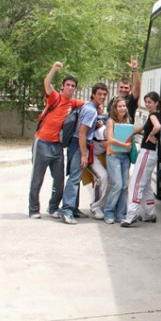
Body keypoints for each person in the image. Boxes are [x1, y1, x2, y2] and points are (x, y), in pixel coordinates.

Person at [28, 62, 85, 219]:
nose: (70, 88)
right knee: (37, 179)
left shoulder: (73, 103)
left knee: (59, 180)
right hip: (42, 142)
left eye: (73, 86)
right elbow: (46, 83)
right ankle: (33, 209)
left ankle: (53, 207)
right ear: (63, 86)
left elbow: (89, 106)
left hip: (57, 146)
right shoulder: (55, 97)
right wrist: (53, 68)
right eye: (68, 85)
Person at [59, 83, 109, 225]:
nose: (102, 97)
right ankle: (67, 211)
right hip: (80, 146)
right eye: (99, 94)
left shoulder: (88, 107)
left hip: (80, 146)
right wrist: (84, 155)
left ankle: (74, 209)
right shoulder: (91, 111)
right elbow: (81, 133)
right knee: (74, 179)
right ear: (93, 94)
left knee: (92, 176)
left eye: (104, 94)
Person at [121, 92, 161, 227]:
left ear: (156, 103)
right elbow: (143, 128)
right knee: (145, 185)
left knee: (136, 183)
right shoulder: (156, 115)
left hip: (146, 153)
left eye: (150, 102)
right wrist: (129, 131)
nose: (147, 105)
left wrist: (150, 135)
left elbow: (157, 127)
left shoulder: (152, 116)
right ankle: (150, 213)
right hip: (151, 154)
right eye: (146, 102)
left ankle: (131, 215)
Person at [103, 97, 132, 224]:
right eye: (119, 106)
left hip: (125, 157)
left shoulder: (127, 120)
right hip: (113, 156)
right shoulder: (111, 121)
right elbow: (110, 139)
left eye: (124, 106)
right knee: (117, 185)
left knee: (125, 186)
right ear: (115, 108)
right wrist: (125, 145)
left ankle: (121, 214)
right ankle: (109, 212)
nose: (122, 108)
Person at [106, 56, 141, 122]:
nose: (123, 90)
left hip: (126, 130)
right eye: (121, 87)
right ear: (118, 88)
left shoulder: (131, 100)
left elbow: (137, 87)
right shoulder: (113, 99)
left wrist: (134, 69)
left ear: (130, 89)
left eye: (126, 88)